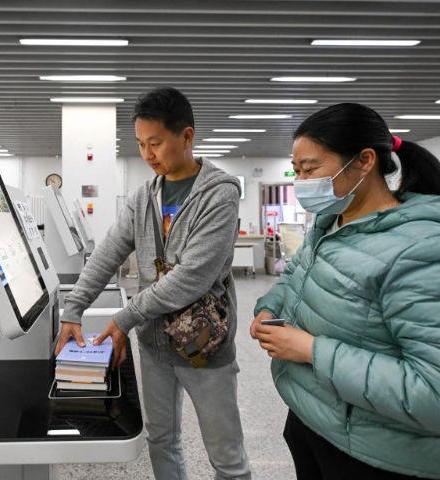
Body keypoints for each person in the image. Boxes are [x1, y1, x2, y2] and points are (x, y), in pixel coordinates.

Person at [251, 103, 440, 479]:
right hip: (321, 425)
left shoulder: (432, 251)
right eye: (296, 171)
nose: (300, 181)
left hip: (390, 455)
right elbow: (299, 271)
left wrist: (312, 350)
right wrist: (270, 307)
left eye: (310, 169)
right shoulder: (332, 223)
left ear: (365, 160)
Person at [57, 86, 251, 480]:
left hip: (203, 347)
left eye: (156, 143)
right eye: (141, 144)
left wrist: (125, 317)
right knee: (161, 441)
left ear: (187, 136)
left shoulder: (220, 194)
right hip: (155, 347)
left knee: (226, 456)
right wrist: (73, 309)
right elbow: (110, 252)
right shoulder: (143, 196)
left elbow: (193, 276)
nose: (147, 154)